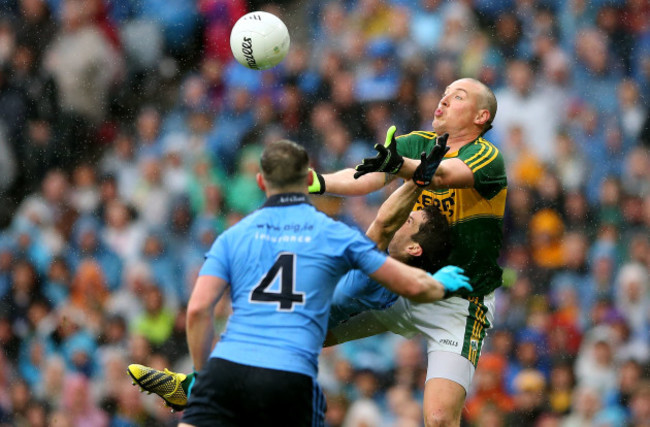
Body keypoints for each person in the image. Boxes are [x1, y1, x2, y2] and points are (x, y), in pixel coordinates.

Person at [128, 139, 471, 426]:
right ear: (307, 178)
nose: (403, 217)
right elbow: (402, 261)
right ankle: (192, 385)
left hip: (229, 365)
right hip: (289, 373)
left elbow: (199, 309)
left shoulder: (238, 232)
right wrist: (439, 284)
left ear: (261, 183)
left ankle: (194, 385)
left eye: (409, 221)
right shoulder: (335, 236)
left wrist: (417, 180)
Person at [310, 77, 506, 427]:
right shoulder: (419, 143)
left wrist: (398, 165)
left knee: (439, 419)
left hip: (457, 303)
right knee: (301, 336)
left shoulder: (487, 157)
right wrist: (318, 182)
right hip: (398, 283)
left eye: (457, 97)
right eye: (443, 93)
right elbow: (368, 175)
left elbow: (442, 175)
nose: (443, 100)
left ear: (481, 116)